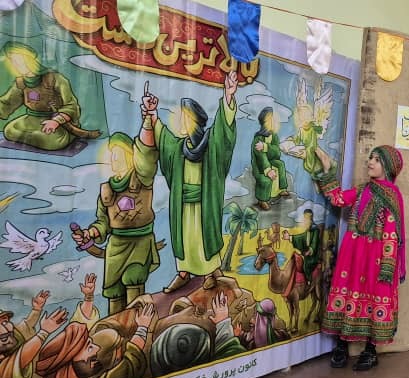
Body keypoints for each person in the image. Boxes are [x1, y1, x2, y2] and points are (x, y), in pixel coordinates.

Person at [139, 72, 239, 293]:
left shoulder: (211, 144)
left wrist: (228, 97)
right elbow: (163, 139)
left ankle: (211, 272)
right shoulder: (178, 148)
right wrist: (152, 114)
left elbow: (223, 132)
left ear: (194, 122)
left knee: (204, 237)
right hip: (182, 205)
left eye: (183, 118)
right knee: (185, 239)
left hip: (204, 205)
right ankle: (184, 273)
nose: (180, 122)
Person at [319, 145, 405, 371]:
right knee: (348, 292)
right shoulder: (362, 189)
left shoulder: (392, 196)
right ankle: (341, 345)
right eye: (370, 158)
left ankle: (370, 351)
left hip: (375, 258)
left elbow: (391, 234)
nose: (370, 162)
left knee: (375, 298)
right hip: (353, 254)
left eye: (376, 159)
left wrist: (388, 266)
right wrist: (327, 170)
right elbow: (338, 199)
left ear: (388, 166)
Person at [72, 132, 161, 314]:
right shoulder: (107, 190)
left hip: (139, 243)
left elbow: (148, 159)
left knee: (133, 278)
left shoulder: (142, 178)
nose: (113, 159)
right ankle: (114, 326)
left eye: (118, 154)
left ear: (130, 155)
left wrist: (146, 128)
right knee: (114, 292)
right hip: (115, 248)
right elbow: (103, 222)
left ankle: (137, 325)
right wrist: (90, 233)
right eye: (111, 155)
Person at [0, 42, 99, 150]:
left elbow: (71, 105)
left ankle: (65, 136)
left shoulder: (55, 78)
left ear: (29, 60)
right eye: (13, 62)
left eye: (19, 61)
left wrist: (56, 121)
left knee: (52, 141)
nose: (16, 65)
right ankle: (37, 137)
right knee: (9, 131)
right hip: (32, 119)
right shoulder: (20, 82)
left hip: (56, 120)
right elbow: (7, 102)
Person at [251, 107, 289, 210]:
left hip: (271, 161)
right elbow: (261, 157)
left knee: (280, 164)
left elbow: (277, 152)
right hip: (260, 167)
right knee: (265, 180)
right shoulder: (258, 138)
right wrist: (268, 170)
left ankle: (282, 188)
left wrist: (266, 147)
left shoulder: (274, 136)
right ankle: (262, 200)